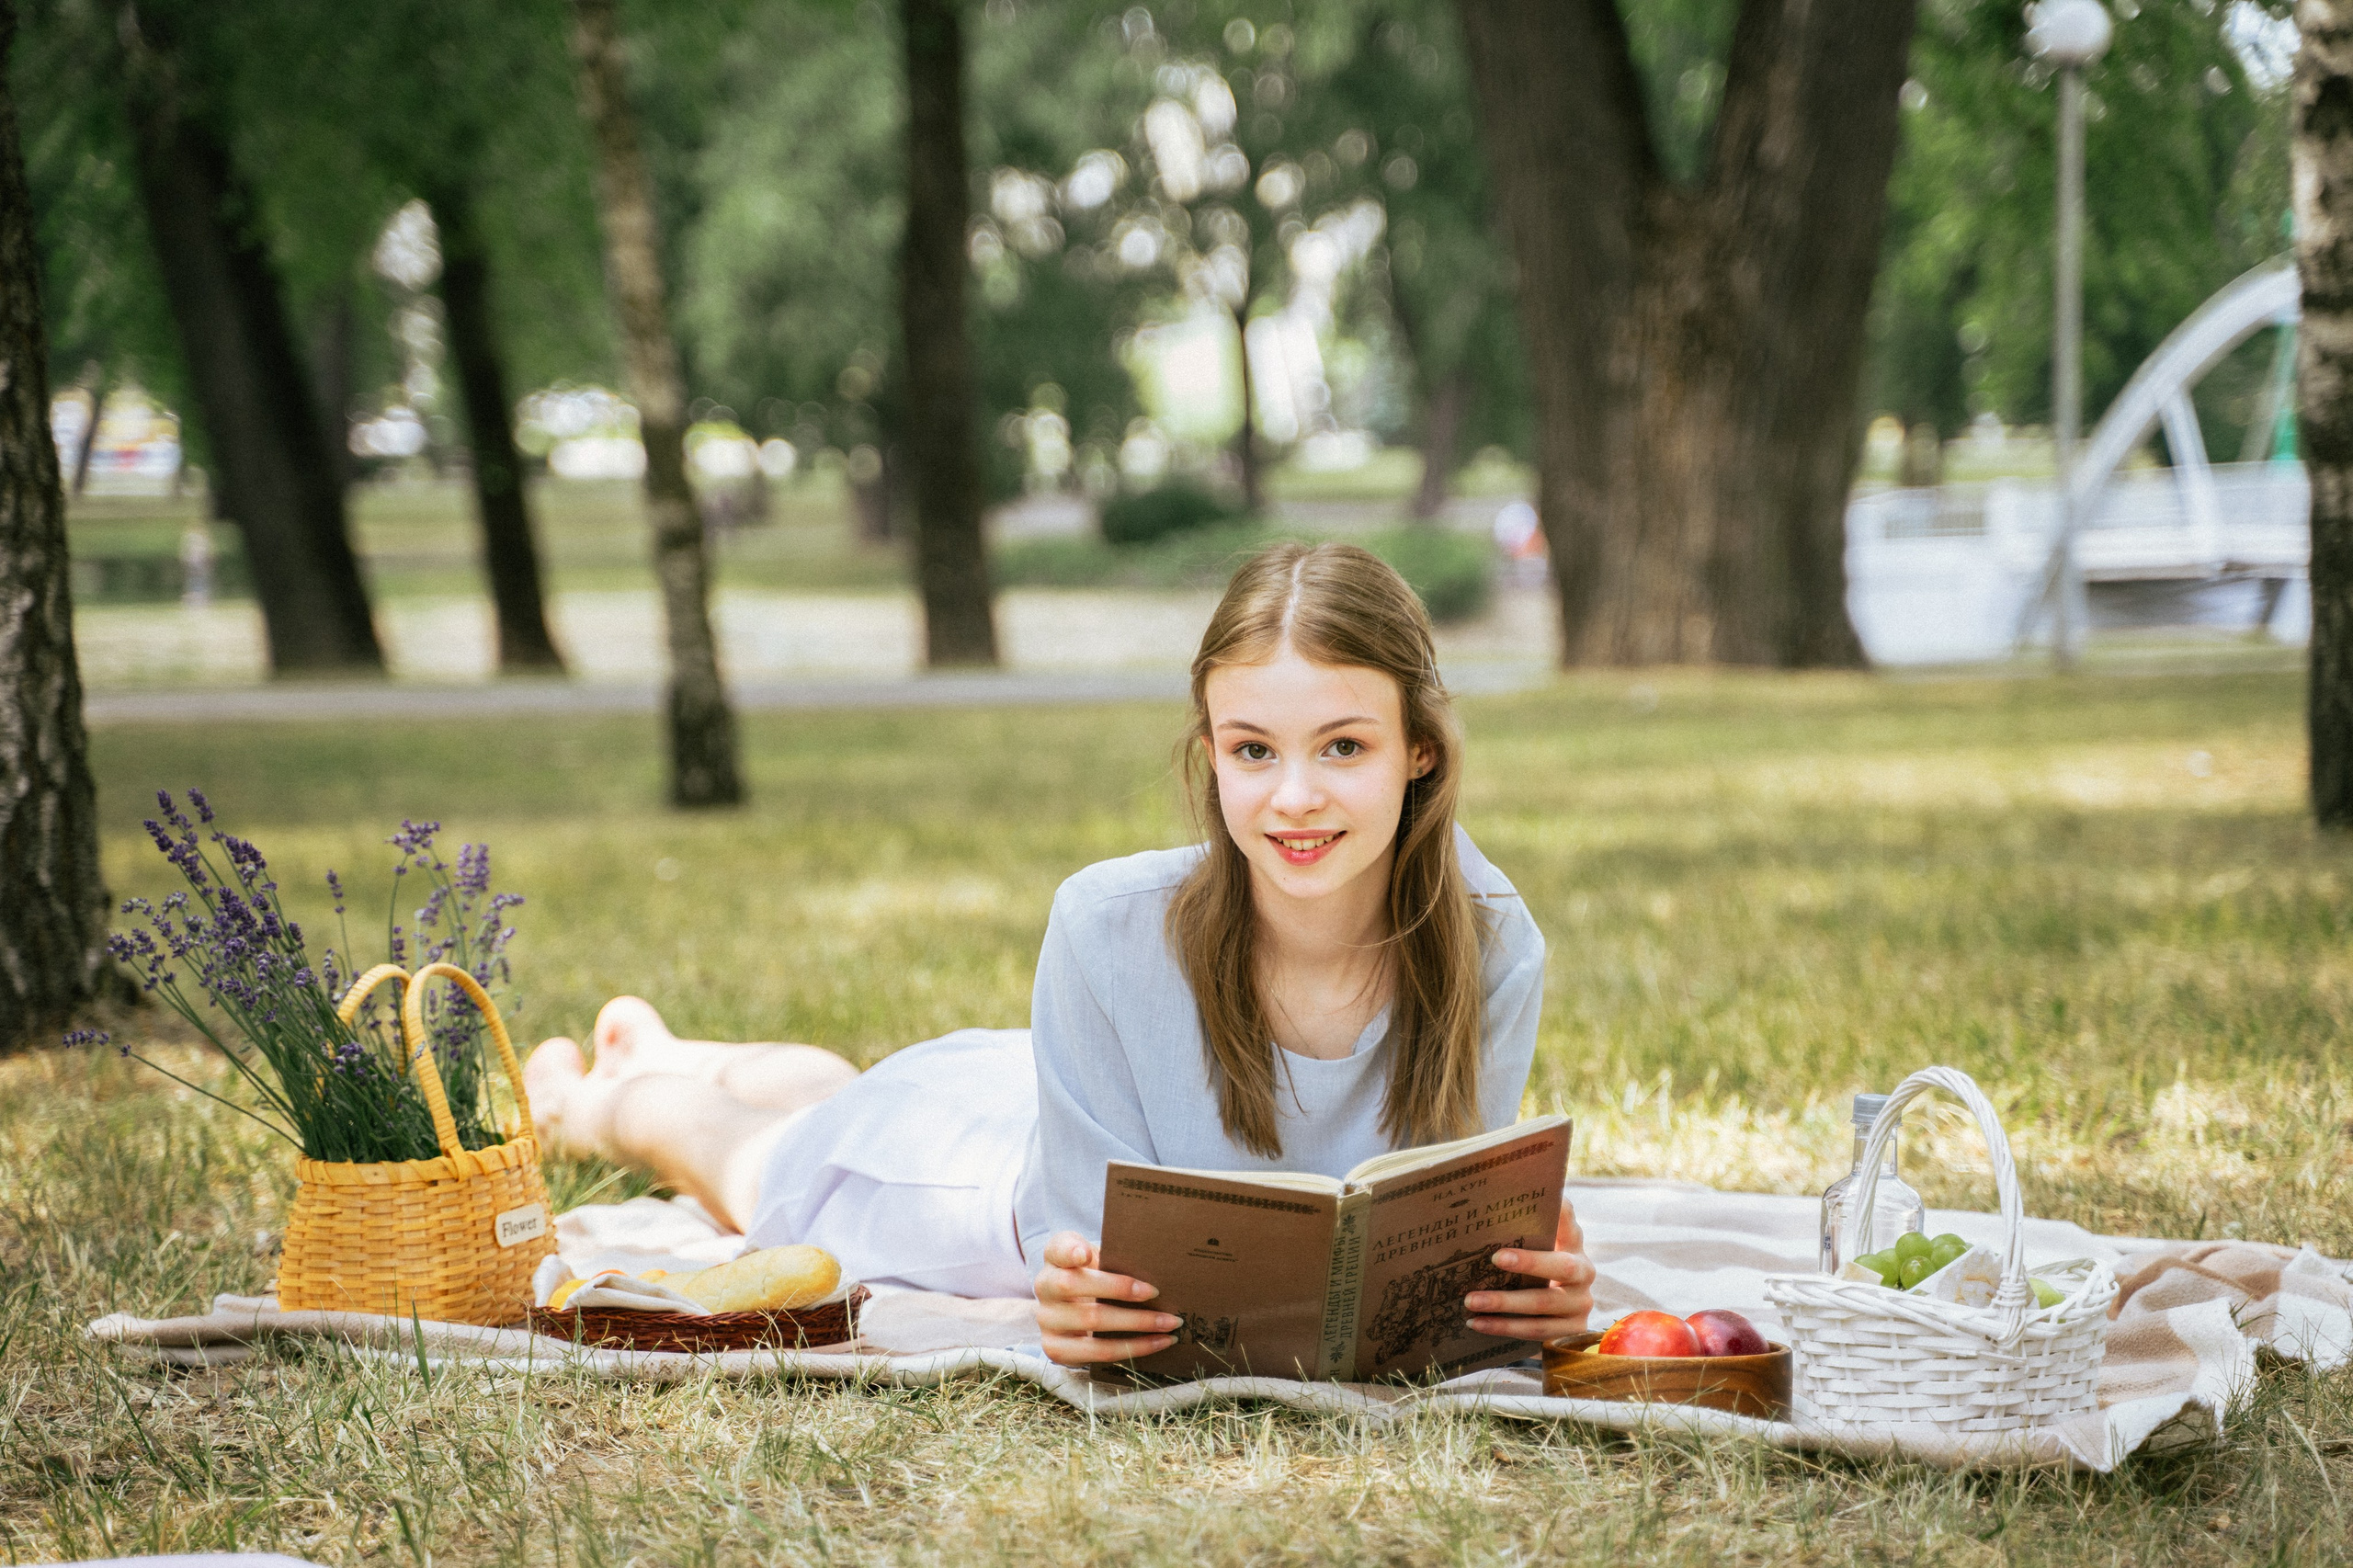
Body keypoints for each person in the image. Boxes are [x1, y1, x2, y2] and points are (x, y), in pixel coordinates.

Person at [524, 541, 1596, 1367]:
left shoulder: (1490, 942)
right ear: (1209, 748)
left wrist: (1531, 1282)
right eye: (1252, 748)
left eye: (1344, 745)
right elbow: (1089, 1257)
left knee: (830, 1093)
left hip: (1031, 1085)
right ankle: (605, 1093)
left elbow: (1441, 1222)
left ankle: (670, 1042)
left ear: (1419, 747)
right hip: (973, 1182)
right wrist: (1075, 1302)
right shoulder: (1106, 925)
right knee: (763, 1162)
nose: (1295, 795)